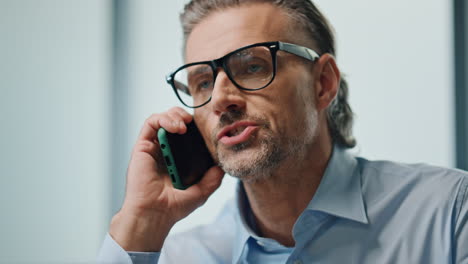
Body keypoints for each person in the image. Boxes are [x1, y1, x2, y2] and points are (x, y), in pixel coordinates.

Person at [97, 0, 468, 263]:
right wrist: (142, 222)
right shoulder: (184, 256)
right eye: (202, 81)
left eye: (253, 66)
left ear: (322, 83)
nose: (220, 99)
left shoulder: (449, 213)